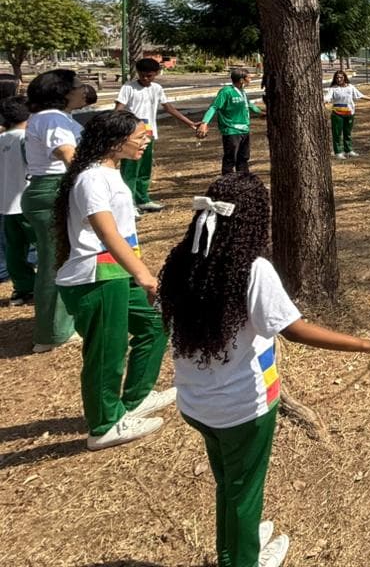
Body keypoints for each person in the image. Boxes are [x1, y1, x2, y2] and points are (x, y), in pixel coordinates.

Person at [158, 172, 370, 567]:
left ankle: (234, 544)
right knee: (245, 490)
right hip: (242, 406)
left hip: (195, 403)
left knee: (230, 484)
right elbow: (295, 331)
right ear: (254, 218)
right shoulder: (252, 269)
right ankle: (242, 558)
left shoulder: (185, 259)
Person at [54, 110, 174, 450]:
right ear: (114, 141)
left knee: (154, 321)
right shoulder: (93, 179)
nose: (145, 141)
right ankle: (104, 424)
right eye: (140, 136)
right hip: (97, 276)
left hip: (117, 272)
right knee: (107, 352)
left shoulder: (110, 172)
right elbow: (107, 234)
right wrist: (144, 275)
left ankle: (134, 398)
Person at [22, 69, 88, 353]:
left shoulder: (52, 118)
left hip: (52, 189)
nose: (83, 90)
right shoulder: (52, 119)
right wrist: (90, 186)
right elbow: (68, 156)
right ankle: (51, 334)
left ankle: (62, 322)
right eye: (78, 86)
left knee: (61, 258)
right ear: (62, 92)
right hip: (53, 190)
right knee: (54, 262)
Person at [114, 57, 200, 211]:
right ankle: (128, 203)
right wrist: (115, 129)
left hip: (148, 133)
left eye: (150, 76)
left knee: (145, 168)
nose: (146, 79)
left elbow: (169, 108)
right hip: (131, 134)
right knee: (130, 169)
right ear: (138, 73)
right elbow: (118, 109)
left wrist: (190, 123)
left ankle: (142, 198)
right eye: (142, 75)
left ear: (157, 74)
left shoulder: (157, 88)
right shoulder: (129, 88)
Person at [197, 69, 265, 174]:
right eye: (249, 77)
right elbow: (214, 107)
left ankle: (243, 182)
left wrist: (260, 113)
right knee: (230, 159)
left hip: (244, 130)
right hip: (231, 130)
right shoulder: (226, 91)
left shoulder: (242, 92)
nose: (251, 79)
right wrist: (204, 123)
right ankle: (227, 183)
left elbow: (249, 105)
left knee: (243, 158)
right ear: (242, 80)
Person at [1, 97, 36, 306]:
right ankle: (49, 288)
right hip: (27, 202)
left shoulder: (3, 138)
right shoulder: (27, 139)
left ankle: (23, 288)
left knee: (14, 250)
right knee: (47, 247)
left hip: (6, 205)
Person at [324, 70, 370, 159]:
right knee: (337, 134)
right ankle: (338, 152)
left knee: (347, 133)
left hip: (349, 113)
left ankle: (348, 150)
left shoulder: (350, 87)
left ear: (345, 78)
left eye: (341, 77)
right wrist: (324, 101)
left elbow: (360, 95)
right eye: (337, 77)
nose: (339, 79)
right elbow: (327, 98)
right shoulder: (333, 88)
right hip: (337, 114)